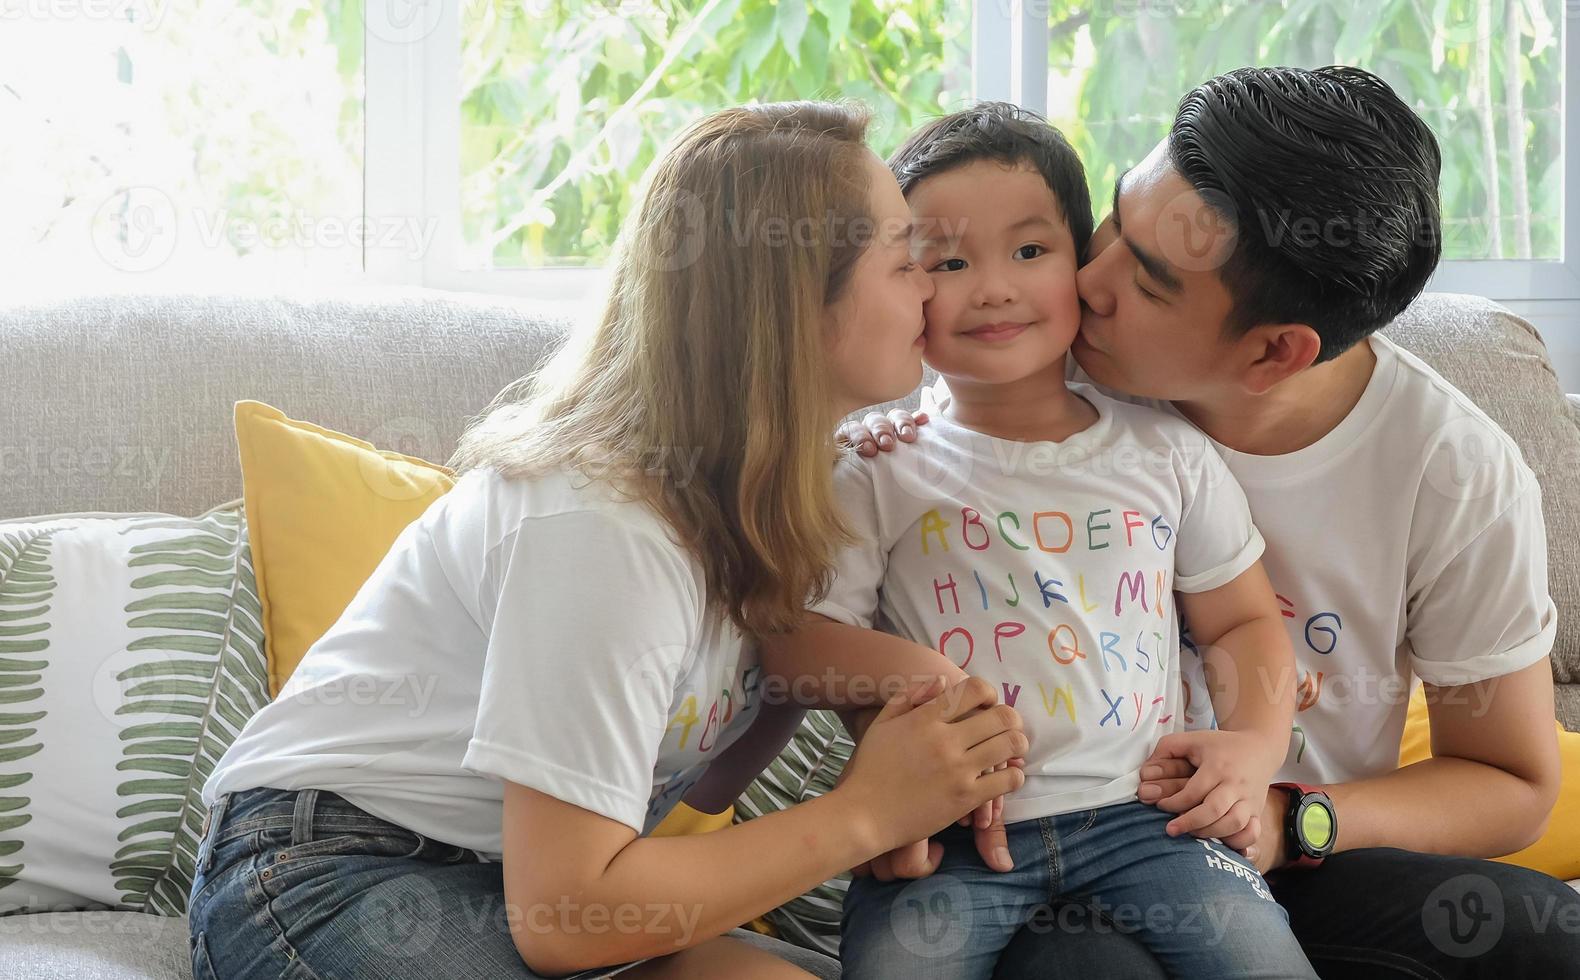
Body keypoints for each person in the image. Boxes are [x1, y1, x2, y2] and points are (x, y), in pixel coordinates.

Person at [185, 101, 1027, 980]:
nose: (933, 290)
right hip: (329, 874)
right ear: (794, 309)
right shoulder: (602, 525)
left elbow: (696, 796)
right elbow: (567, 916)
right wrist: (868, 814)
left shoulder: (768, 499)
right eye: (904, 263)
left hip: (515, 881)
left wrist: (860, 688)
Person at [847, 66, 1580, 976]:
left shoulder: (1453, 472)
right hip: (1036, 846)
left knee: (1553, 938)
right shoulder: (1026, 360)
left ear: (1275, 352)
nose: (1091, 277)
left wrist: (1291, 817)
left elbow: (1514, 786)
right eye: (1114, 222)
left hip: (1279, 854)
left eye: (1150, 283)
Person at [763, 101, 1315, 979]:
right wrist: (895, 741)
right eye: (947, 261)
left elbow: (1243, 624)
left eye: (1029, 251)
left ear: (1084, 264)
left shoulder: (1165, 451)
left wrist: (1252, 750)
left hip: (1151, 818)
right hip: (949, 826)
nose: (993, 287)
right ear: (904, 284)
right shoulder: (877, 465)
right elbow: (800, 646)